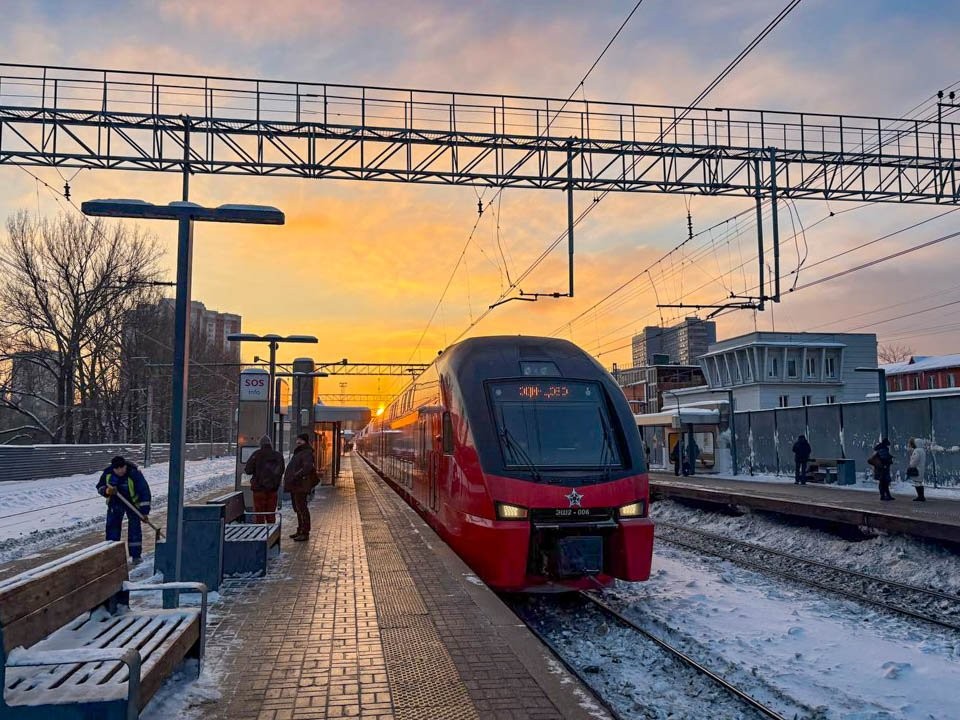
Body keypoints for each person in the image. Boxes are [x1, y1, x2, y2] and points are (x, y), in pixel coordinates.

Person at [97, 455, 151, 563]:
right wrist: (107, 491)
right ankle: (113, 556)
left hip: (133, 505)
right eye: (117, 469)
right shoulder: (108, 474)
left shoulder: (134, 474)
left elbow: (145, 492)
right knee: (112, 529)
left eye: (122, 468)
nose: (120, 471)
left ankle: (136, 556)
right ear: (113, 468)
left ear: (125, 466)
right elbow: (100, 487)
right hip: (115, 504)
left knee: (134, 529)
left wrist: (144, 512)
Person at [244, 436, 285, 524]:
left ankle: (260, 532)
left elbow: (248, 470)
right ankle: (271, 533)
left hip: (259, 489)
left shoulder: (256, 454)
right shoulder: (278, 455)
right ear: (270, 444)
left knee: (260, 514)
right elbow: (281, 470)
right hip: (273, 489)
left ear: (261, 444)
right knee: (271, 513)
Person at [284, 433, 317, 541]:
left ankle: (305, 532)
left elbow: (307, 467)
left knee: (302, 508)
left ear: (304, 441)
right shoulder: (300, 452)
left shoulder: (306, 452)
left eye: (300, 440)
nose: (297, 441)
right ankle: (300, 530)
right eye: (297, 439)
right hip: (296, 485)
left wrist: (296, 475)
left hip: (301, 485)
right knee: (298, 508)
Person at [907, 437, 927, 502]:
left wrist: (911, 464)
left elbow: (914, 460)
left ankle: (920, 496)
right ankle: (921, 496)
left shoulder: (917, 451)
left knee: (917, 482)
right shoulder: (922, 450)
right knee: (920, 482)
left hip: (917, 469)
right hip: (921, 468)